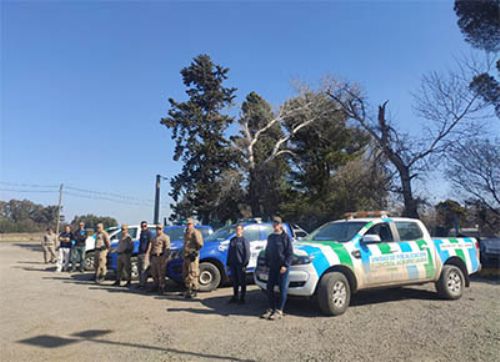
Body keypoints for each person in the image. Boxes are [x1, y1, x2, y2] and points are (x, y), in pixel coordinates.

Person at [260, 216, 293, 321]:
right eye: (273, 223)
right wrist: (266, 263)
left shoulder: (285, 237)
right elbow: (267, 251)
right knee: (269, 288)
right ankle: (271, 308)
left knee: (283, 289)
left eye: (277, 223)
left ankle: (279, 310)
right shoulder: (271, 237)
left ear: (280, 225)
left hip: (282, 268)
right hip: (272, 267)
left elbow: (290, 254)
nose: (275, 225)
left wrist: (286, 265)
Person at [226, 224, 250, 304]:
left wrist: (245, 264)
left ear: (242, 230)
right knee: (235, 281)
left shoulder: (244, 241)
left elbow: (247, 253)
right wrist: (228, 263)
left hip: (241, 264)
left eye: (239, 229)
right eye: (236, 229)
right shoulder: (232, 240)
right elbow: (229, 252)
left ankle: (242, 298)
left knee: (242, 281)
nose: (238, 231)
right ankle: (235, 296)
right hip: (233, 264)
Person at [182, 218, 204, 298]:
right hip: (186, 255)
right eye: (187, 224)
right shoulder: (186, 233)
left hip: (192, 256)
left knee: (193, 273)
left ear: (193, 224)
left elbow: (200, 243)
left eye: (190, 224)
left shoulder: (195, 232)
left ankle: (194, 290)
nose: (188, 225)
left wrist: (195, 251)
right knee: (186, 273)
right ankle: (188, 289)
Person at [146, 225, 171, 294]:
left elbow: (167, 248)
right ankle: (155, 285)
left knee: (161, 273)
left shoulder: (165, 237)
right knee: (154, 273)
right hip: (154, 257)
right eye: (157, 229)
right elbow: (150, 247)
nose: (158, 230)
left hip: (161, 257)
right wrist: (148, 256)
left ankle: (162, 287)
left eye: (160, 229)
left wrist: (165, 257)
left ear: (162, 229)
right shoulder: (154, 238)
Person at [136, 221, 152, 289]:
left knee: (144, 269)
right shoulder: (141, 233)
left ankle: (143, 284)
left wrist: (147, 253)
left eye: (145, 226)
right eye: (142, 226)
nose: (143, 227)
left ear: (147, 226)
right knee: (139, 269)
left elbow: (150, 243)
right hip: (140, 252)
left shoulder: (149, 233)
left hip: (145, 253)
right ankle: (140, 283)